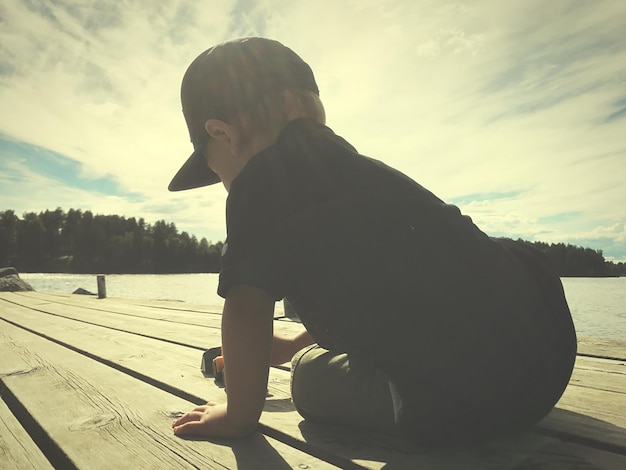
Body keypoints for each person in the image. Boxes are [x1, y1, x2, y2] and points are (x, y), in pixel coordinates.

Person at [169, 37, 577, 446]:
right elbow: (398, 290)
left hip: (466, 404)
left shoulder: (257, 187)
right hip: (547, 363)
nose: (224, 184)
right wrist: (294, 339)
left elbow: (245, 307)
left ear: (222, 133)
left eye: (214, 171)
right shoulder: (366, 176)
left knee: (309, 377)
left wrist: (238, 415)